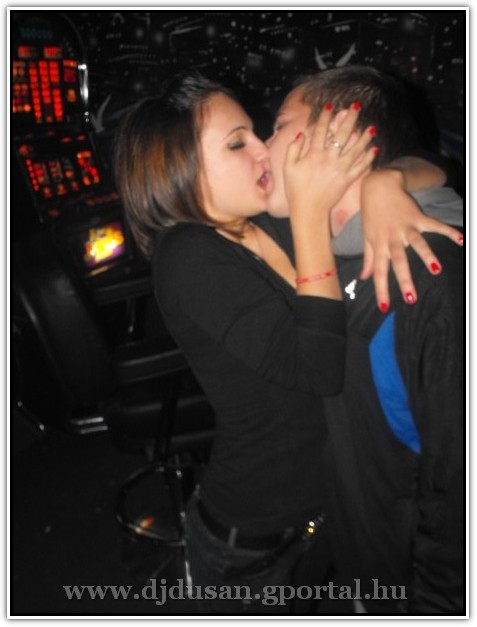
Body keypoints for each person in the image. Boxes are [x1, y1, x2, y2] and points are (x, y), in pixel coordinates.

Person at [114, 72, 461, 615]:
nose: (261, 150)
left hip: (326, 515)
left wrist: (386, 181)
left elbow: (429, 162)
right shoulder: (186, 255)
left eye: (260, 132)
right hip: (250, 540)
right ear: (180, 168)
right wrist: (307, 209)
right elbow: (319, 368)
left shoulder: (260, 223)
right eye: (238, 143)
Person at [262, 65, 464, 615]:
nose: (263, 144)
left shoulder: (428, 277)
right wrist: (389, 178)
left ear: (340, 131)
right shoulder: (325, 254)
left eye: (278, 125)